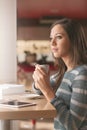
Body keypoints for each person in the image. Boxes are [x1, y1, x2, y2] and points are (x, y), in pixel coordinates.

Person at [32, 17, 87, 130]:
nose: (52, 43)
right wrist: (39, 82)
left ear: (73, 40)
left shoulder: (82, 75)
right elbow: (38, 90)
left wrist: (48, 91)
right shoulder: (64, 72)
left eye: (58, 37)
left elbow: (73, 125)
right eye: (51, 38)